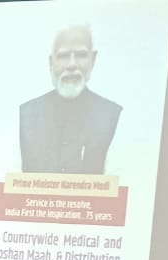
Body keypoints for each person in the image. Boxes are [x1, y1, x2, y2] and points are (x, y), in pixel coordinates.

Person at [19, 25, 122, 174]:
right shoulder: (24, 115)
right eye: (63, 56)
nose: (72, 64)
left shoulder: (113, 116)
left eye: (80, 55)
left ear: (93, 60)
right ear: (51, 63)